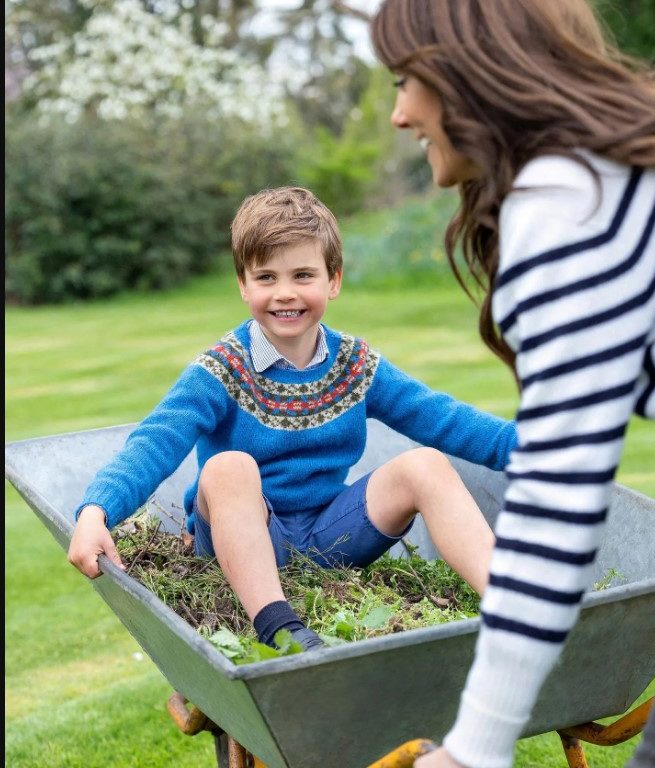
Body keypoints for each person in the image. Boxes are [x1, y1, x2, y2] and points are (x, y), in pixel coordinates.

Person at [370, 1, 655, 767]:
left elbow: (558, 506)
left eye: (407, 81)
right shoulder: (611, 173)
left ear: (466, 73)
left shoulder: (565, 208)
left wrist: (475, 745)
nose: (400, 114)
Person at [68, 185, 518, 653]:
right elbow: (156, 440)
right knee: (228, 467)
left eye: (303, 275)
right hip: (241, 539)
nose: (285, 293)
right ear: (243, 284)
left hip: (330, 534)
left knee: (424, 463)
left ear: (333, 280)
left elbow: (441, 418)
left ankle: (511, 607)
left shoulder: (355, 364)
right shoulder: (222, 369)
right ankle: (280, 628)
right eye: (266, 277)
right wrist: (97, 510)